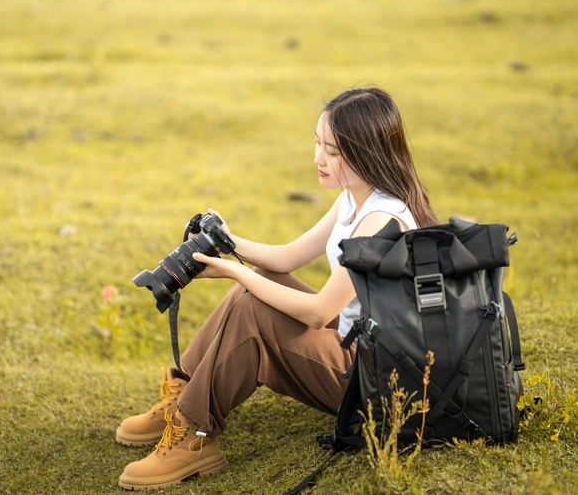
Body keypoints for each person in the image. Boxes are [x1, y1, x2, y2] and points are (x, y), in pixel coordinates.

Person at [115, 87, 439, 490]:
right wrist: (227, 243)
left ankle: (195, 436)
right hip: (363, 348)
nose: (318, 158)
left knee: (252, 307)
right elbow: (287, 258)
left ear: (368, 152)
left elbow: (320, 311)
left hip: (381, 384)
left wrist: (237, 273)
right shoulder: (355, 199)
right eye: (318, 142)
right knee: (259, 286)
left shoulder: (382, 221)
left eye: (333, 151)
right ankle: (183, 397)